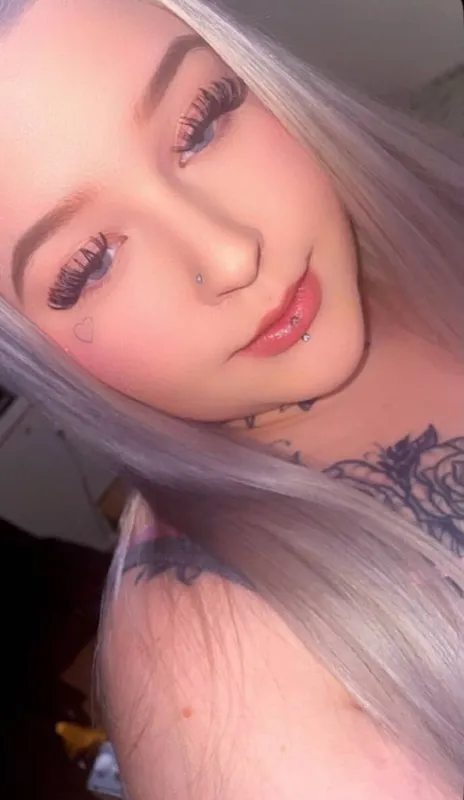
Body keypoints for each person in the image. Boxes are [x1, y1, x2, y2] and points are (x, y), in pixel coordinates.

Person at [0, 0, 463, 797]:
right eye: (89, 264)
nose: (231, 254)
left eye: (201, 122)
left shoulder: (416, 222)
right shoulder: (232, 696)